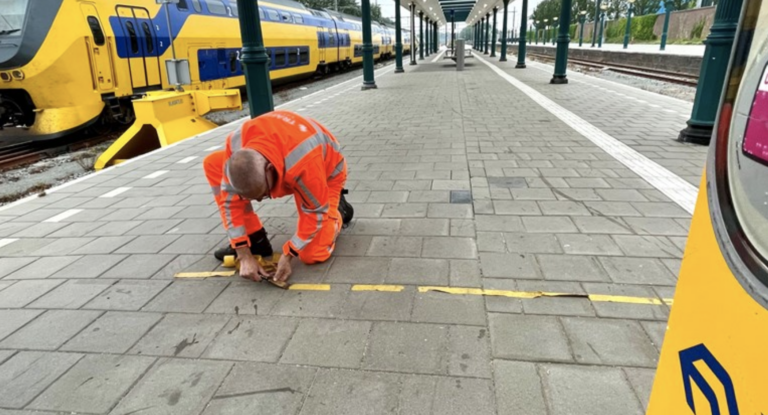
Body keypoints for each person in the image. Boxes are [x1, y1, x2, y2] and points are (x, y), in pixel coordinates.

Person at [203, 110, 353, 283]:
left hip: (325, 172)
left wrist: (289, 254)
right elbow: (229, 201)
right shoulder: (235, 145)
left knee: (312, 254)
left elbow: (314, 212)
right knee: (212, 163)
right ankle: (255, 239)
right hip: (287, 159)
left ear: (269, 170)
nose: (258, 201)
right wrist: (243, 253)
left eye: (262, 195)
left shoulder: (304, 163)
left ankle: (338, 210)